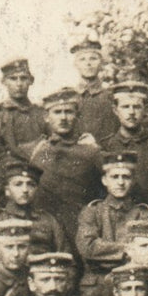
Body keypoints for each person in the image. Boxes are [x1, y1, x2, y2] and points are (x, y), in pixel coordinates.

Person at [25, 87, 105, 241]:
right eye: (57, 112)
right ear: (46, 117)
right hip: (43, 229)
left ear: (77, 116)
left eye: (68, 112)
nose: (63, 118)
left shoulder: (90, 152)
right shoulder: (34, 150)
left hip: (79, 227)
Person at [75, 151, 148, 279]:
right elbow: (87, 247)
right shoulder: (92, 211)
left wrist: (105, 251)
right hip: (97, 281)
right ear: (105, 180)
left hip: (134, 279)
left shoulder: (143, 214)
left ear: (133, 181)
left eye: (126, 177)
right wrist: (127, 249)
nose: (120, 182)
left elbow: (147, 251)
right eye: (115, 177)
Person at [98, 79, 148, 202]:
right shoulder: (105, 145)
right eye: (125, 107)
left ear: (144, 110)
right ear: (115, 110)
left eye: (137, 107)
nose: (131, 112)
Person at [0, 160, 70, 261]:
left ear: (37, 189)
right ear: (7, 190)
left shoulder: (49, 220)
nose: (25, 190)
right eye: (18, 184)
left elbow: (67, 260)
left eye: (31, 184)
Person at [69, 36, 119, 141]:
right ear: (75, 64)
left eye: (93, 58)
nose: (88, 63)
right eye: (82, 59)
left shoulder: (112, 96)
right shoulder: (69, 97)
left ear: (101, 63)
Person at [0, 57, 48, 155]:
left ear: (31, 81)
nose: (19, 84)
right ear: (4, 81)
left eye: (23, 78)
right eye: (13, 79)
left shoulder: (41, 112)